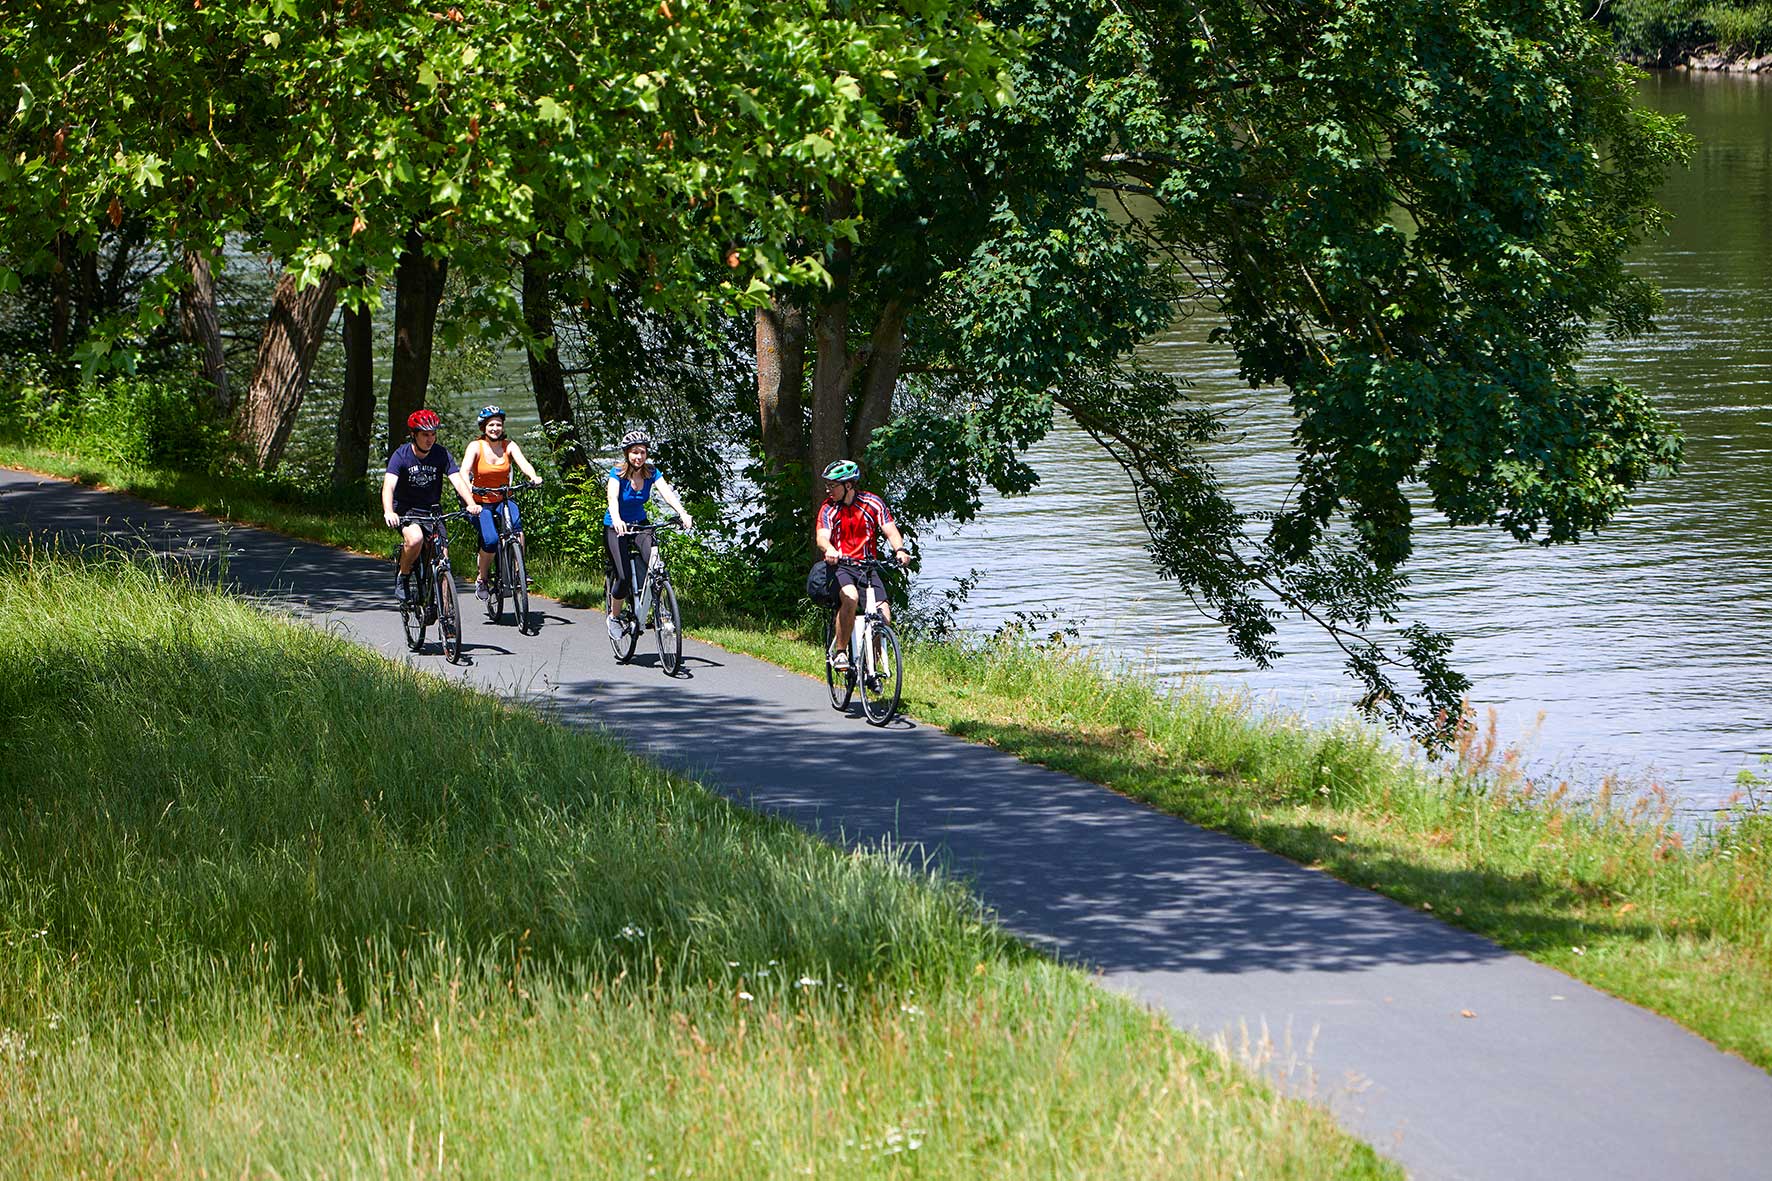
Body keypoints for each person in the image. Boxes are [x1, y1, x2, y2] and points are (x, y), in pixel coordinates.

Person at [816, 459, 910, 671]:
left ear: (848, 485)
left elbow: (890, 530)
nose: (828, 489)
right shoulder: (828, 508)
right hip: (840, 566)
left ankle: (872, 669)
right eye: (827, 485)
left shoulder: (872, 503)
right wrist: (829, 549)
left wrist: (900, 550)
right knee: (851, 597)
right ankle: (841, 652)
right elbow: (822, 537)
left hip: (867, 567)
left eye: (833, 485)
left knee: (883, 616)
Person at [381, 408, 480, 604]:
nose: (430, 439)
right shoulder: (401, 456)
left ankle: (447, 613)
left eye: (433, 434)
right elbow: (388, 486)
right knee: (416, 539)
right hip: (407, 510)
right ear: (414, 435)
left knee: (443, 560)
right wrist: (389, 511)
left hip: (432, 510)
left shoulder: (441, 454)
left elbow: (458, 480)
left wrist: (471, 503)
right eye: (425, 434)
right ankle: (404, 575)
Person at [604, 430, 693, 641]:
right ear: (627, 454)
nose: (638, 457)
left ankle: (660, 611)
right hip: (615, 527)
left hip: (640, 525)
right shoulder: (617, 473)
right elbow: (612, 498)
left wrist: (682, 512)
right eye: (634, 452)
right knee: (624, 577)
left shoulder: (651, 472)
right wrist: (616, 519)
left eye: (642, 452)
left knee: (655, 565)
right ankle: (614, 617)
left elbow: (667, 492)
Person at [461, 405, 542, 601]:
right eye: (491, 425)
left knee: (517, 530)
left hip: (503, 498)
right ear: (484, 428)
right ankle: (482, 578)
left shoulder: (509, 446)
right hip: (481, 502)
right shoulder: (475, 446)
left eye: (498, 424)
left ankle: (518, 570)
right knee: (490, 540)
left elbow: (524, 464)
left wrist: (533, 476)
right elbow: (463, 472)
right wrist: (469, 491)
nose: (495, 428)